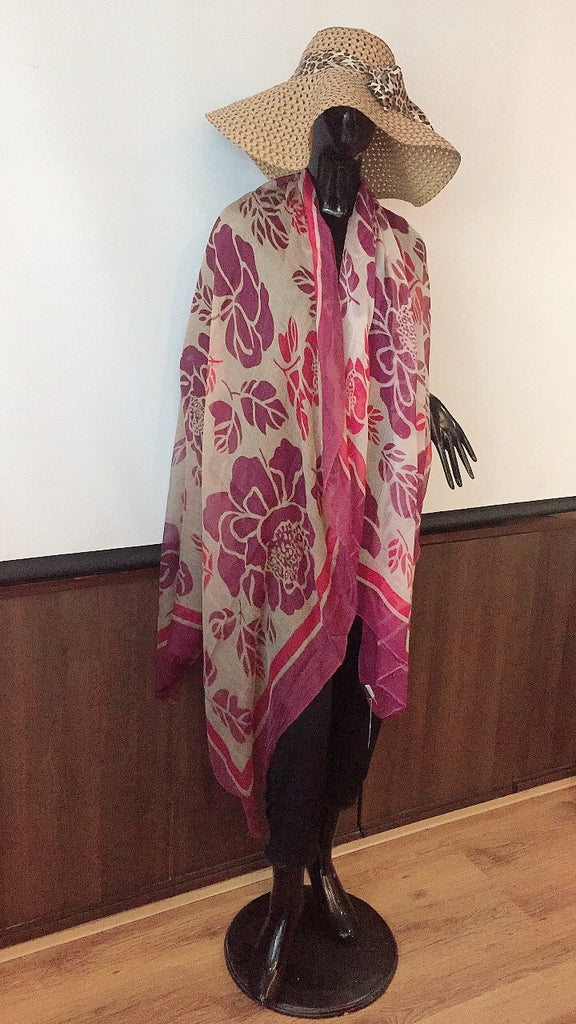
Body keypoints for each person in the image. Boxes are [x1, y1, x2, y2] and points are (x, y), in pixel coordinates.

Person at [157, 27, 475, 1008]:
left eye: (360, 120)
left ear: (377, 135)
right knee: (294, 711)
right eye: (330, 116)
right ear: (304, 122)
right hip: (277, 525)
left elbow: (389, 364)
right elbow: (217, 373)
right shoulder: (243, 235)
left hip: (373, 515)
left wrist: (425, 407)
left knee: (354, 713)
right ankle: (287, 893)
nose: (343, 135)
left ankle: (326, 859)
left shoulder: (404, 251)